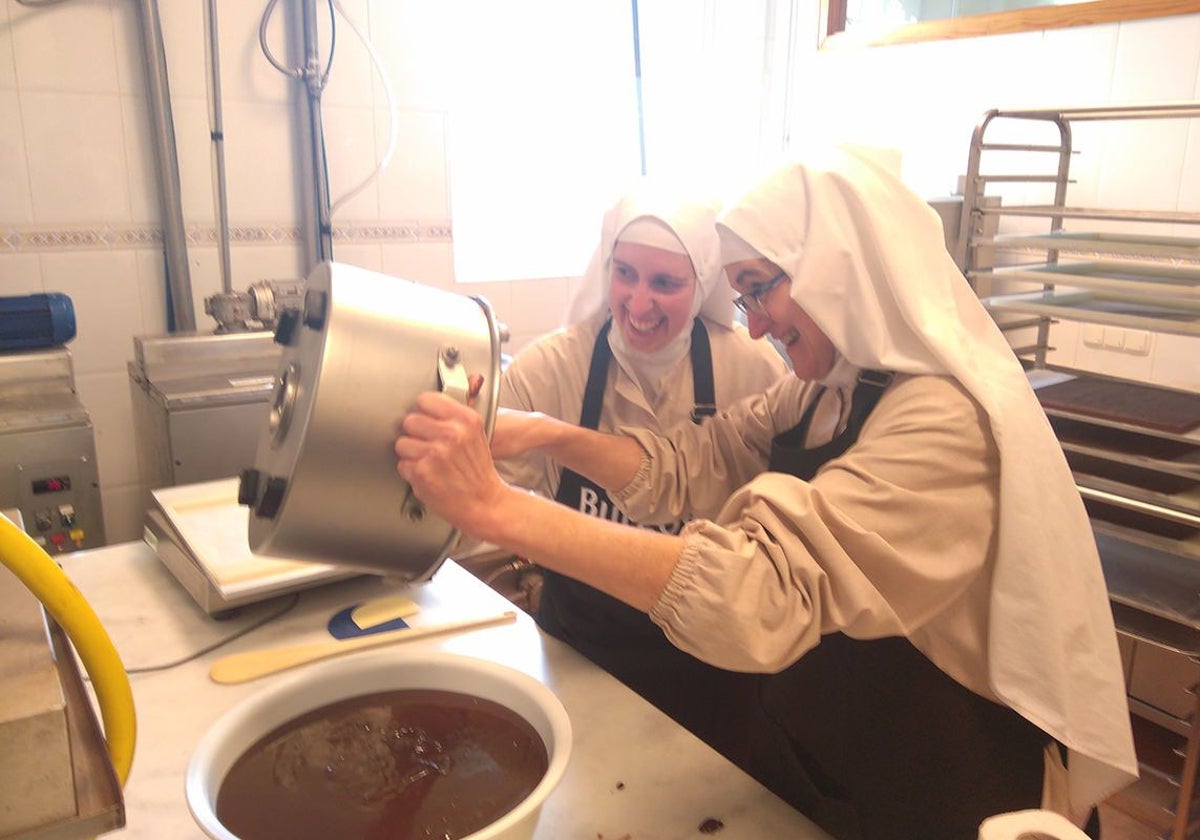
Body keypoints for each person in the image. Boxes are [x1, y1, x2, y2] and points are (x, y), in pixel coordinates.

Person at [395, 148, 1138, 839]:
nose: (750, 324)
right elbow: (689, 464)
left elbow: (759, 588)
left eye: (758, 291)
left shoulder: (945, 422)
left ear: (835, 270)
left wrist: (496, 507)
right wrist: (542, 435)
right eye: (741, 294)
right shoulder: (826, 393)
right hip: (833, 751)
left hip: (942, 778)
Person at [496, 183, 787, 757]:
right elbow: (494, 494)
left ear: (702, 284)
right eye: (624, 273)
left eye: (665, 283)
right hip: (580, 647)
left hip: (708, 658)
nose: (638, 301)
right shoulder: (552, 369)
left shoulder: (751, 370)